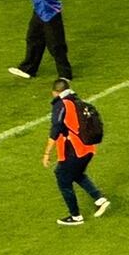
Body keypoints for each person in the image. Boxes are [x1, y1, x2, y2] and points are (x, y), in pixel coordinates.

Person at [43, 79, 110, 226]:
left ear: (55, 92)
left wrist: (47, 153)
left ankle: (75, 217)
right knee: (76, 174)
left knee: (62, 176)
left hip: (75, 151)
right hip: (88, 148)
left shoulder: (61, 105)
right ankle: (99, 199)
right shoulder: (78, 101)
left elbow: (56, 128)